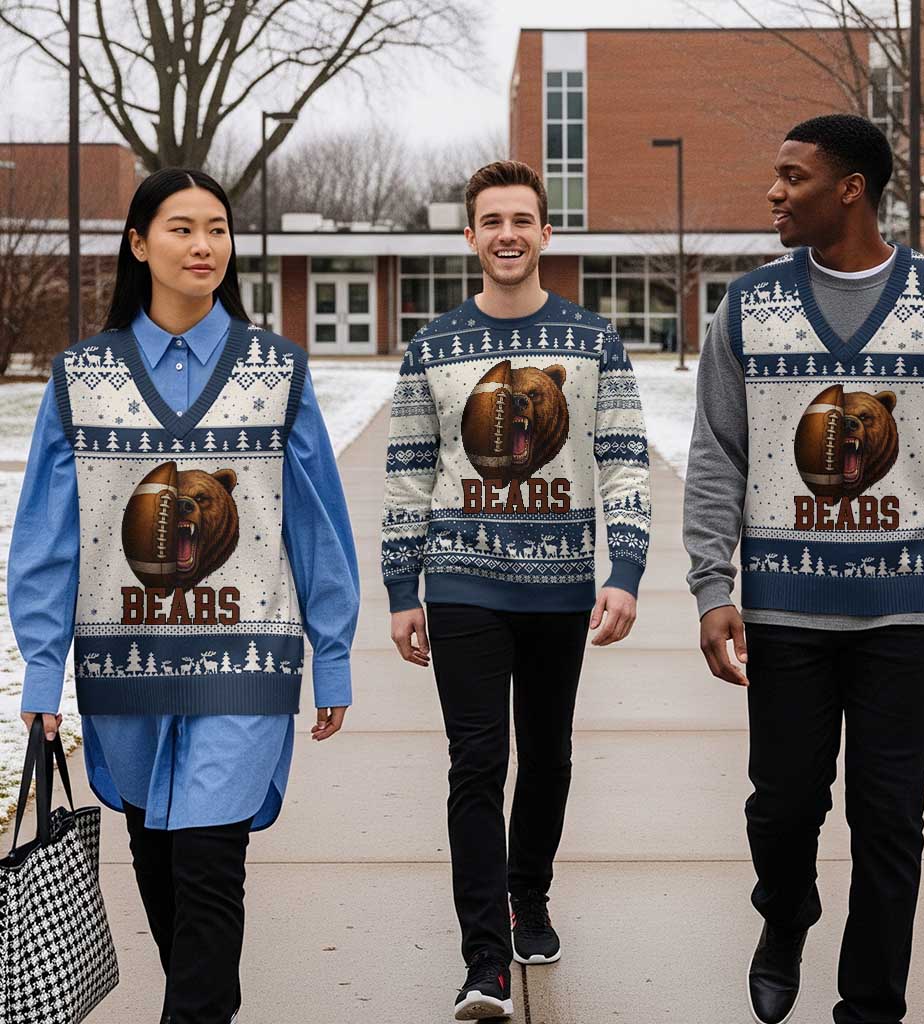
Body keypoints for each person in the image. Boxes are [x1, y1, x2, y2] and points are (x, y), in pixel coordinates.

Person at [684, 113, 924, 1024]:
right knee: (782, 810)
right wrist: (714, 585)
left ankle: (871, 1005)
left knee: (889, 824)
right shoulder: (749, 306)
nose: (774, 192)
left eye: (793, 176)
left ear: (851, 189)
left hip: (904, 618)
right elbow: (718, 452)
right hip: (785, 611)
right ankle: (784, 914)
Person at [11, 167, 359, 1024]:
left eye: (217, 229)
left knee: (210, 865)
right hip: (122, 665)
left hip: (246, 660)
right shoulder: (81, 378)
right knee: (159, 863)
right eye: (181, 228)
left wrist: (335, 654)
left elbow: (316, 524)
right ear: (138, 244)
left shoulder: (277, 372)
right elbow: (47, 540)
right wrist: (43, 675)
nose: (203, 246)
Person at [381, 160, 652, 1021]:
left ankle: (527, 895)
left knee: (549, 754)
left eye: (522, 220)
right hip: (462, 582)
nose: (507, 234)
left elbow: (623, 462)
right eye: (491, 220)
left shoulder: (593, 341)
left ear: (545, 233)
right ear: (470, 236)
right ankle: (484, 961)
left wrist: (627, 570)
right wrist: (401, 587)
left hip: (561, 586)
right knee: (477, 761)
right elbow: (407, 478)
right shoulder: (432, 348)